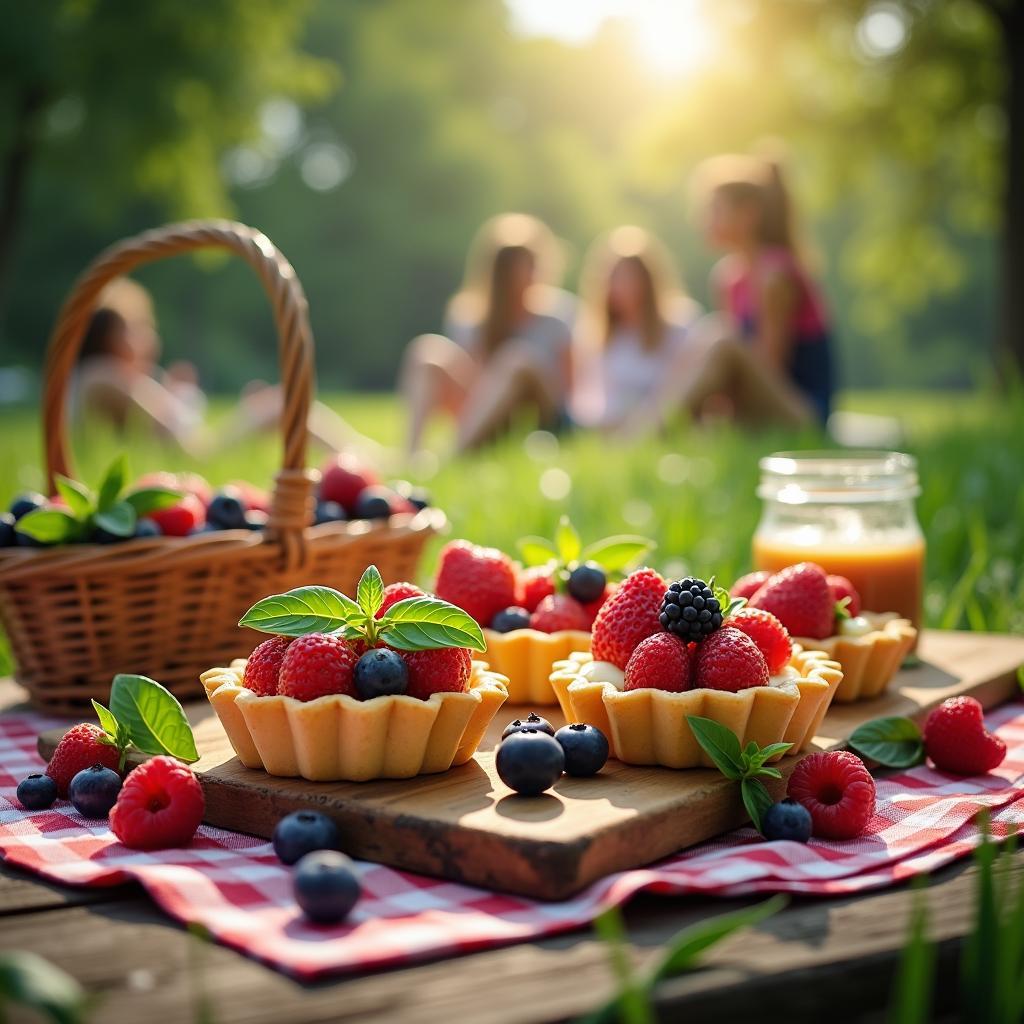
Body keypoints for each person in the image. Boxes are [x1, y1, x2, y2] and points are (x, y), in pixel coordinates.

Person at [625, 153, 834, 432]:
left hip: (802, 414)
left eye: (713, 210)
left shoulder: (775, 276)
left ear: (748, 214)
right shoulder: (728, 278)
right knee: (711, 336)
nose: (702, 220)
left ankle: (645, 433)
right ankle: (646, 426)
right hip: (758, 408)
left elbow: (771, 370)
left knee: (722, 339)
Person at [399, 213, 575, 458]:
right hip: (487, 411)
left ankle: (452, 456)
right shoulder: (470, 317)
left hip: (541, 418)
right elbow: (477, 383)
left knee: (517, 359)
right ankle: (412, 454)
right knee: (427, 350)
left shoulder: (559, 315)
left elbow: (567, 392)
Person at [571, 226, 701, 431]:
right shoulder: (597, 335)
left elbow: (684, 387)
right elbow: (591, 398)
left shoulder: (680, 325)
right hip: (614, 422)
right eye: (615, 278)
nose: (622, 286)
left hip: (667, 419)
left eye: (630, 276)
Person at [73, 277, 207, 451]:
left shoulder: (135, 379)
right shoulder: (99, 376)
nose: (147, 337)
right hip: (193, 451)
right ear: (106, 340)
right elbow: (175, 441)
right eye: (131, 330)